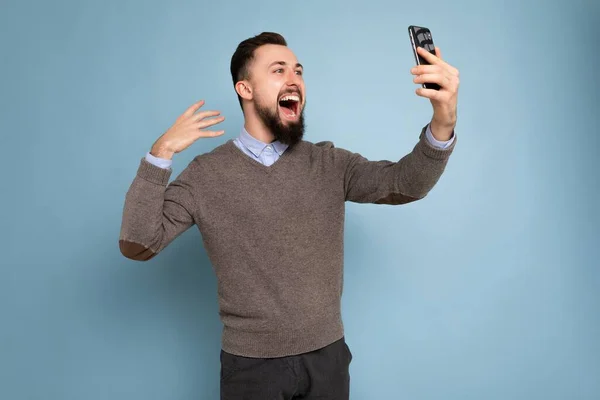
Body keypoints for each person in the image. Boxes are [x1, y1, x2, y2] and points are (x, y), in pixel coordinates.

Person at [119, 31, 459, 399]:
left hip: (327, 360)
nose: (294, 78)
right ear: (245, 89)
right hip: (251, 368)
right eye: (278, 70)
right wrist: (161, 152)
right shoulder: (205, 176)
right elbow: (139, 243)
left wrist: (444, 120)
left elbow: (407, 183)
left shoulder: (329, 163)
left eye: (298, 70)